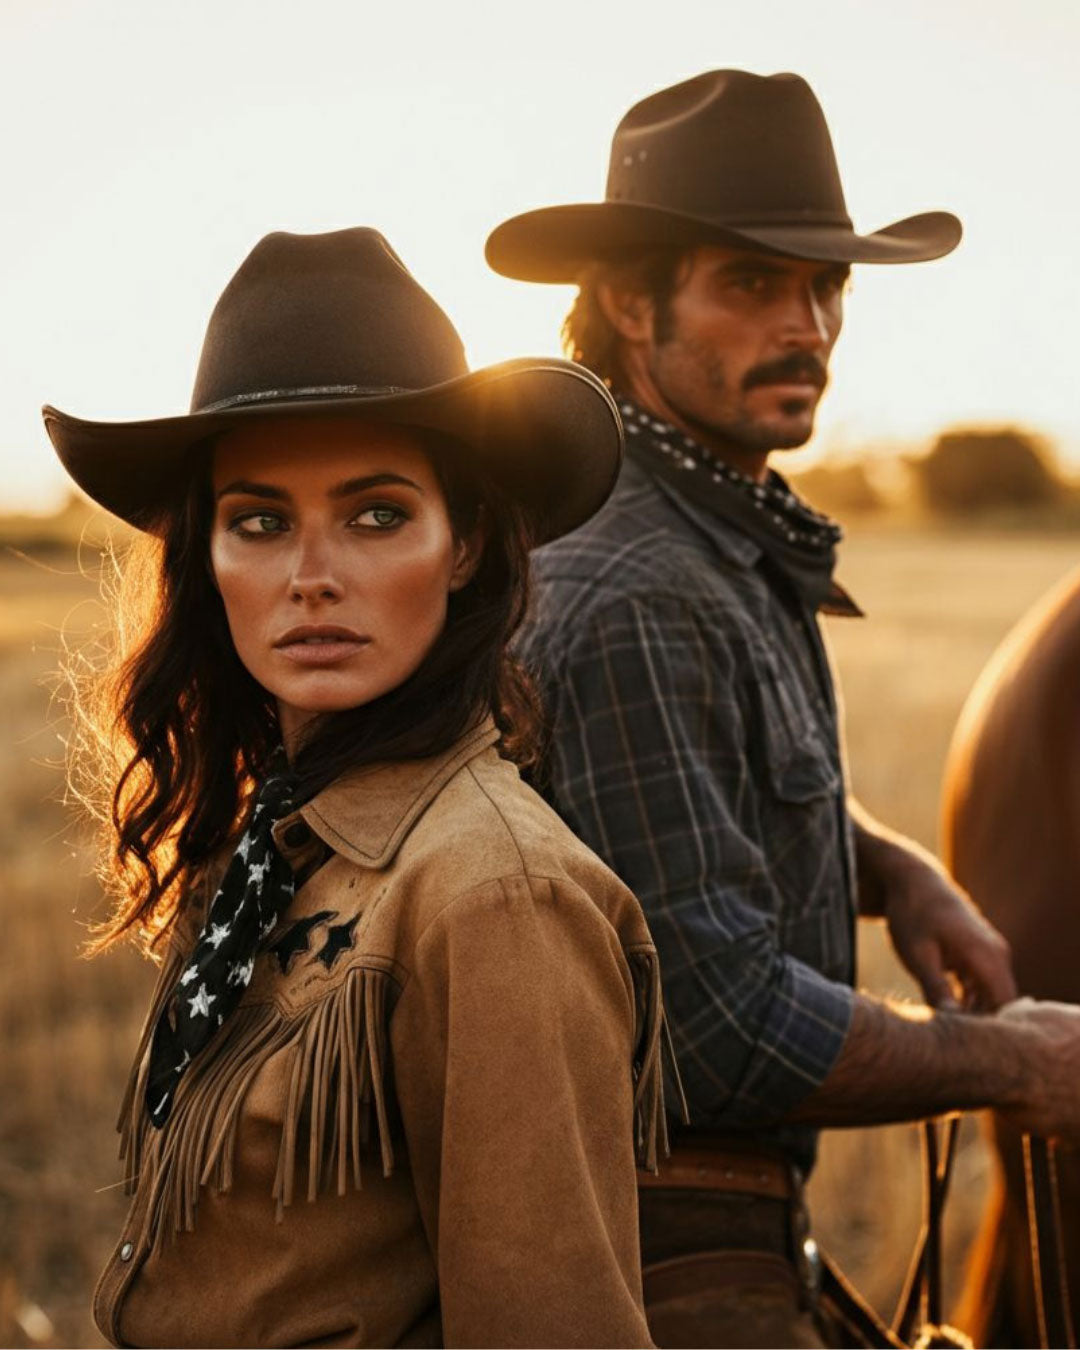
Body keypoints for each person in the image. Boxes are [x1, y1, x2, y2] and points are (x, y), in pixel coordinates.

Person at [486, 69, 1080, 1347]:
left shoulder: (696, 536)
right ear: (628, 303)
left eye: (826, 288)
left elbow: (692, 797)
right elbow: (717, 1032)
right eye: (751, 284)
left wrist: (891, 868)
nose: (806, 325)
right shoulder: (647, 586)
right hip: (650, 1243)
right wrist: (1012, 1061)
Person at [45, 226, 678, 1349]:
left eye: (378, 513)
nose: (312, 575)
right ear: (209, 559)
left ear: (468, 541)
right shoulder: (278, 844)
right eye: (260, 522)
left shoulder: (496, 897)